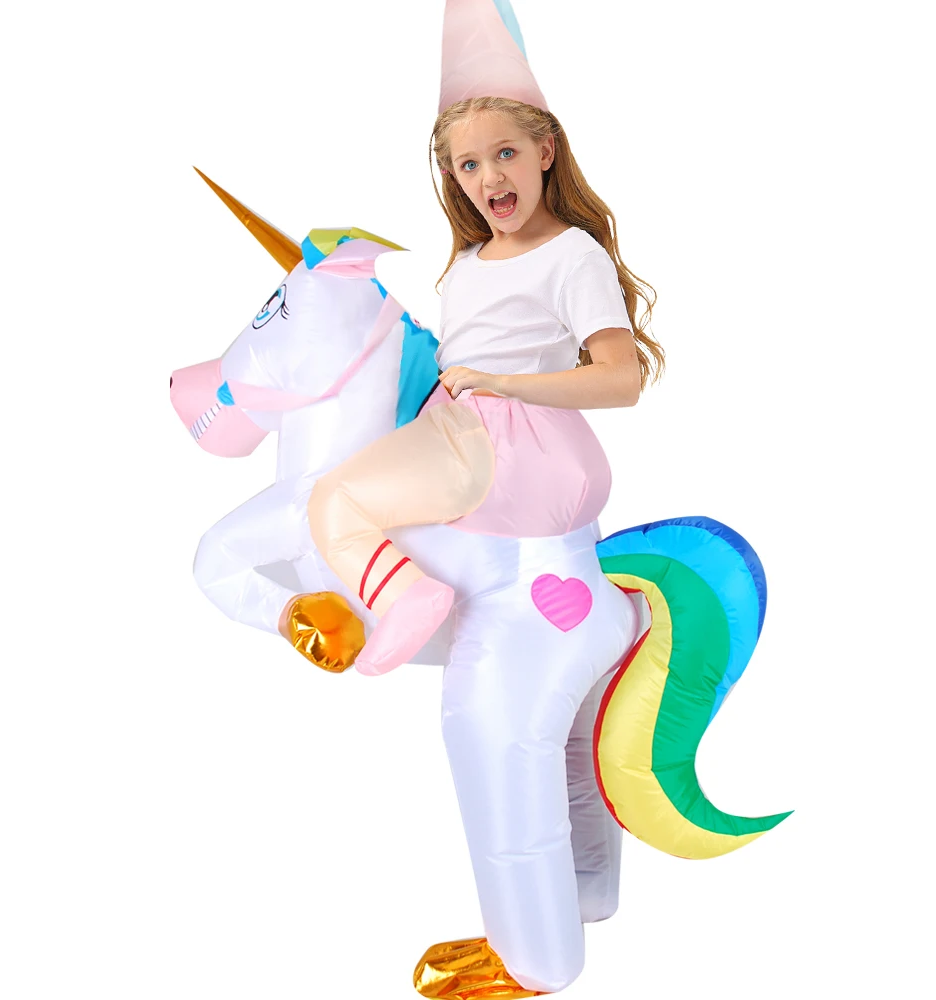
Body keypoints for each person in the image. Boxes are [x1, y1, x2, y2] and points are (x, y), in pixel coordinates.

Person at [303, 2, 666, 995]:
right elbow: (455, 357)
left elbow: (621, 377)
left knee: (486, 726)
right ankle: (585, 889)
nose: (489, 178)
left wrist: (506, 384)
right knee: (556, 742)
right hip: (481, 471)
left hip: (516, 472)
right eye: (468, 164)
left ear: (545, 151)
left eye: (505, 154)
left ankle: (537, 961)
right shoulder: (467, 263)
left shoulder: (571, 256)